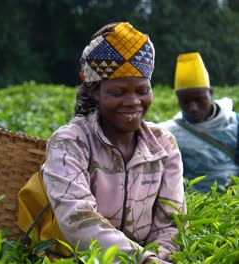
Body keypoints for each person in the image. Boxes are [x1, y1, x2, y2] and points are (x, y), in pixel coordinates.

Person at [40, 22, 185, 263]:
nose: (133, 102)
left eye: (142, 90)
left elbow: (171, 223)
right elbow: (78, 219)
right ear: (96, 92)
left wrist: (159, 256)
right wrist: (141, 260)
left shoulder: (163, 144)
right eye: (118, 93)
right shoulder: (70, 143)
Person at [160, 52, 238, 192]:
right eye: (185, 102)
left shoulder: (234, 123)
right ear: (178, 99)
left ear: (211, 93)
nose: (193, 108)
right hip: (193, 205)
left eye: (199, 99)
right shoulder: (169, 131)